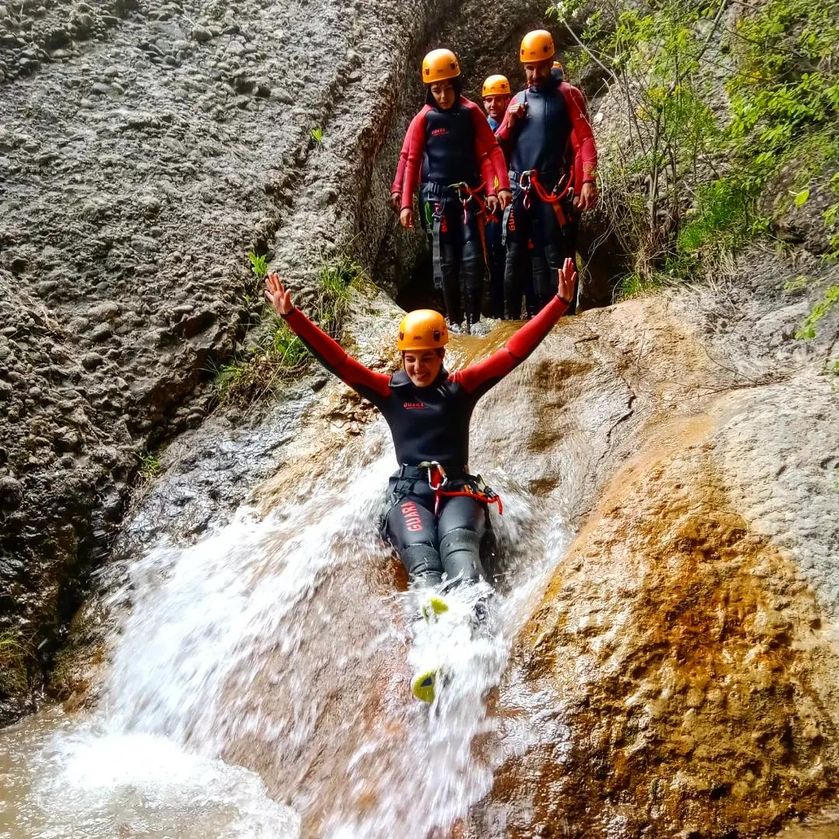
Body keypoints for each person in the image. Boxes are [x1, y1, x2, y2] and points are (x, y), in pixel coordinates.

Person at [264, 259, 577, 592]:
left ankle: (476, 636)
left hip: (456, 489)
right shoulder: (389, 392)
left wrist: (558, 304)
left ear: (442, 355)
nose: (418, 366)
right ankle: (432, 635)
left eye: (427, 356)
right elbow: (339, 361)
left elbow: (513, 351)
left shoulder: (460, 387)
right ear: (402, 358)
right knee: (424, 567)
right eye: (410, 358)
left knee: (462, 561)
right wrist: (291, 316)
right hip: (410, 494)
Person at [397, 48, 512, 332]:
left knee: (472, 259)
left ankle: (474, 320)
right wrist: (406, 204)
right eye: (437, 90)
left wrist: (501, 187)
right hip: (437, 199)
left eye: (448, 88)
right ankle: (456, 321)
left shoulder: (471, 112)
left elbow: (491, 151)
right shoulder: (424, 119)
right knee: (447, 264)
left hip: (468, 197)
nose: (444, 96)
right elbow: (411, 160)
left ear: (457, 85)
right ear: (429, 91)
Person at [497, 30, 598, 318]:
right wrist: (509, 123)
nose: (535, 73)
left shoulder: (568, 94)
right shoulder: (517, 100)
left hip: (551, 189)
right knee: (517, 256)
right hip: (520, 189)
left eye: (541, 66)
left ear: (551, 61)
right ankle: (511, 322)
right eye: (530, 67)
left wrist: (587, 180)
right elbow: (497, 148)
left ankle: (563, 319)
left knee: (555, 255)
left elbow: (585, 140)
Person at [480, 74, 513, 319]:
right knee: (494, 257)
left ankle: (514, 311)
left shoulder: (517, 123)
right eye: (488, 100)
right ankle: (498, 312)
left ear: (507, 100)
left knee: (516, 253)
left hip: (513, 195)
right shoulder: (483, 128)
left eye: (498, 100)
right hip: (491, 202)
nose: (493, 105)